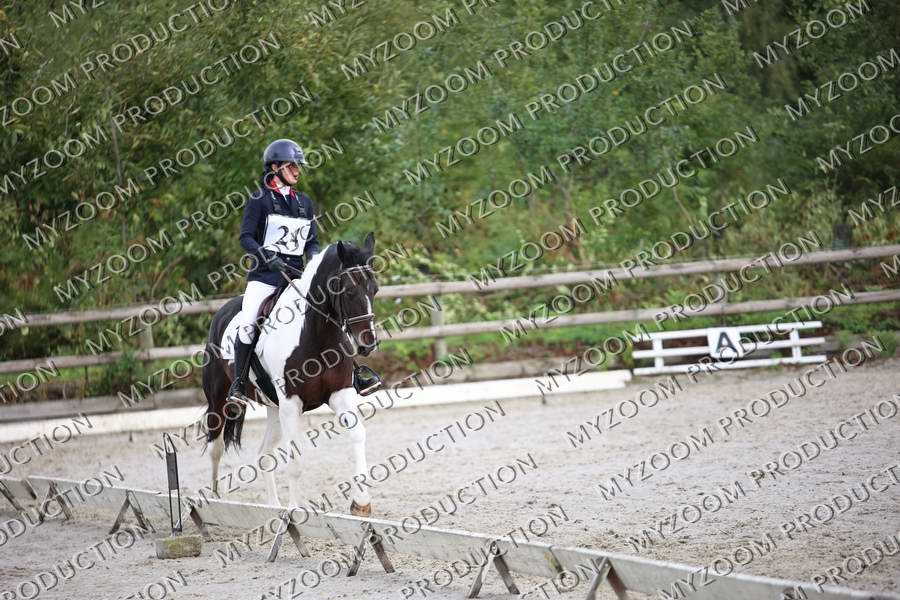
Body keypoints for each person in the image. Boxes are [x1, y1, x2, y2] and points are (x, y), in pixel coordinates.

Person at [227, 139, 320, 403]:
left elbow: (311, 241)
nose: (298, 171)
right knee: (248, 324)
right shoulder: (259, 200)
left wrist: (313, 259)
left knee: (329, 310)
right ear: (275, 167)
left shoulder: (304, 202)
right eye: (292, 166)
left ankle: (354, 372)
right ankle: (238, 384)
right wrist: (268, 257)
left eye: (298, 166)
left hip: (297, 277)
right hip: (265, 278)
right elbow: (246, 238)